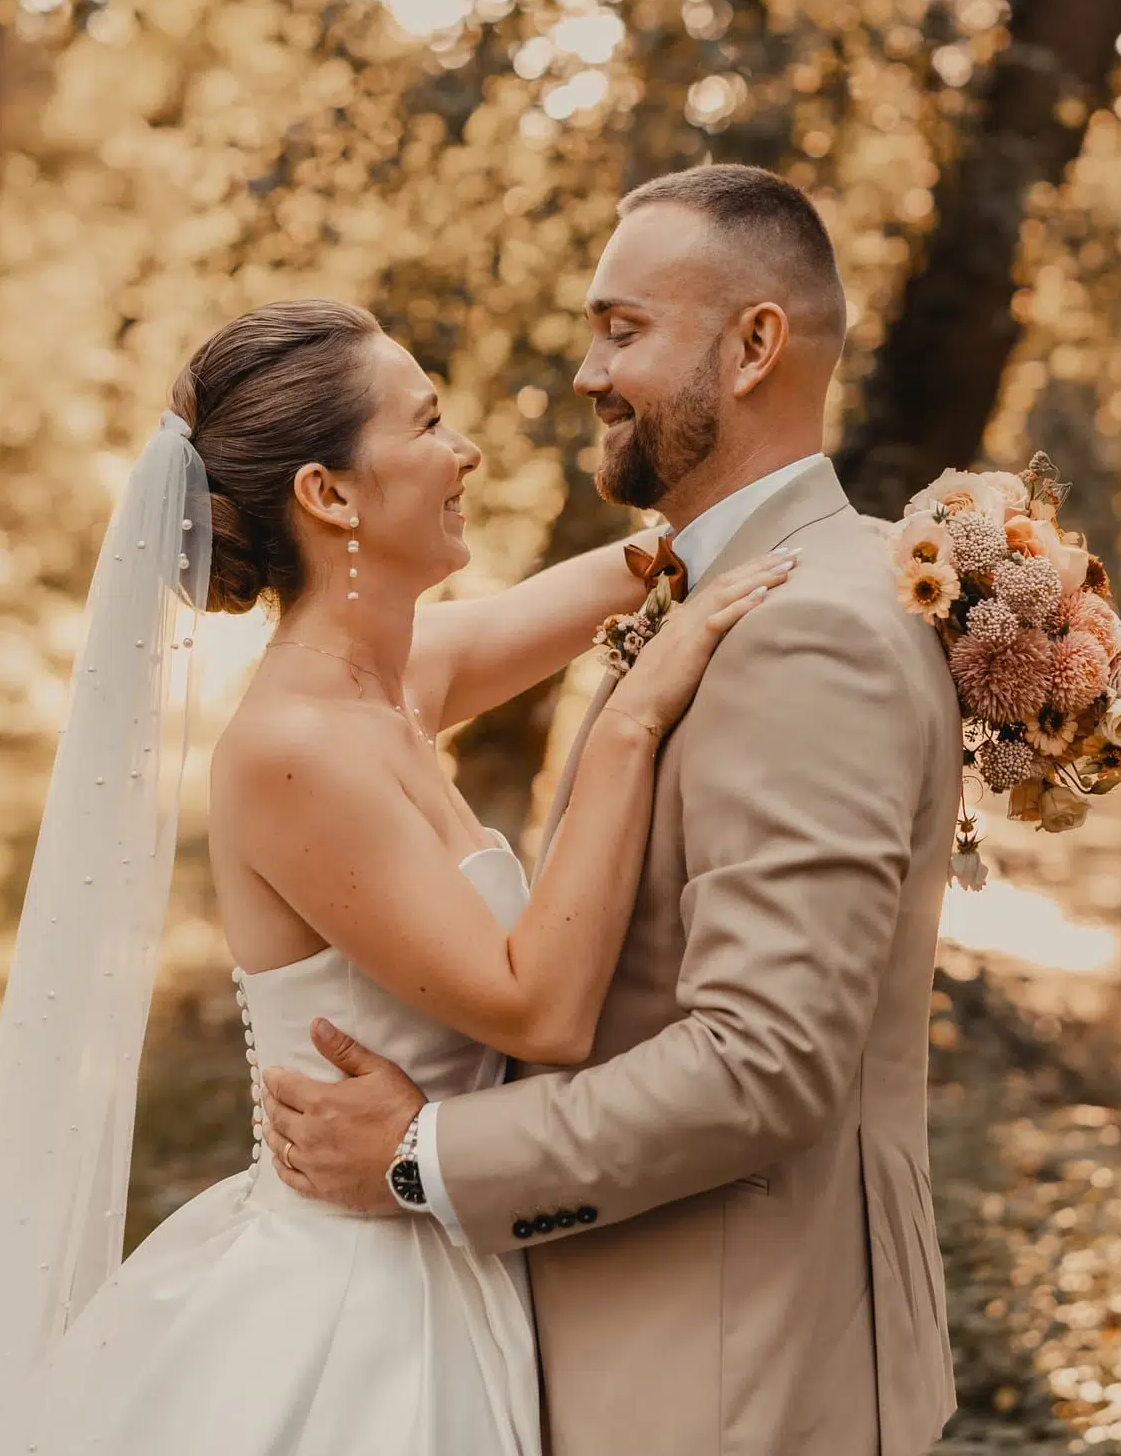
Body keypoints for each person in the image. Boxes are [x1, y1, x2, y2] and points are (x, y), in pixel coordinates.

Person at [0, 292, 792, 1456]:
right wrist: (629, 723)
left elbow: (636, 567)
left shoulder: (396, 682)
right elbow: (541, 1010)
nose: (465, 452)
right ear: (330, 494)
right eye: (428, 424)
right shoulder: (293, 750)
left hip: (445, 1250)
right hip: (355, 1309)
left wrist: (872, 538)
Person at [263, 165, 967, 1456]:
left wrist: (421, 1153)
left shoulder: (805, 629)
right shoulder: (753, 585)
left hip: (725, 1371)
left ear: (754, 346)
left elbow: (765, 1060)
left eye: (623, 329)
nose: (588, 372)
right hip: (621, 1336)